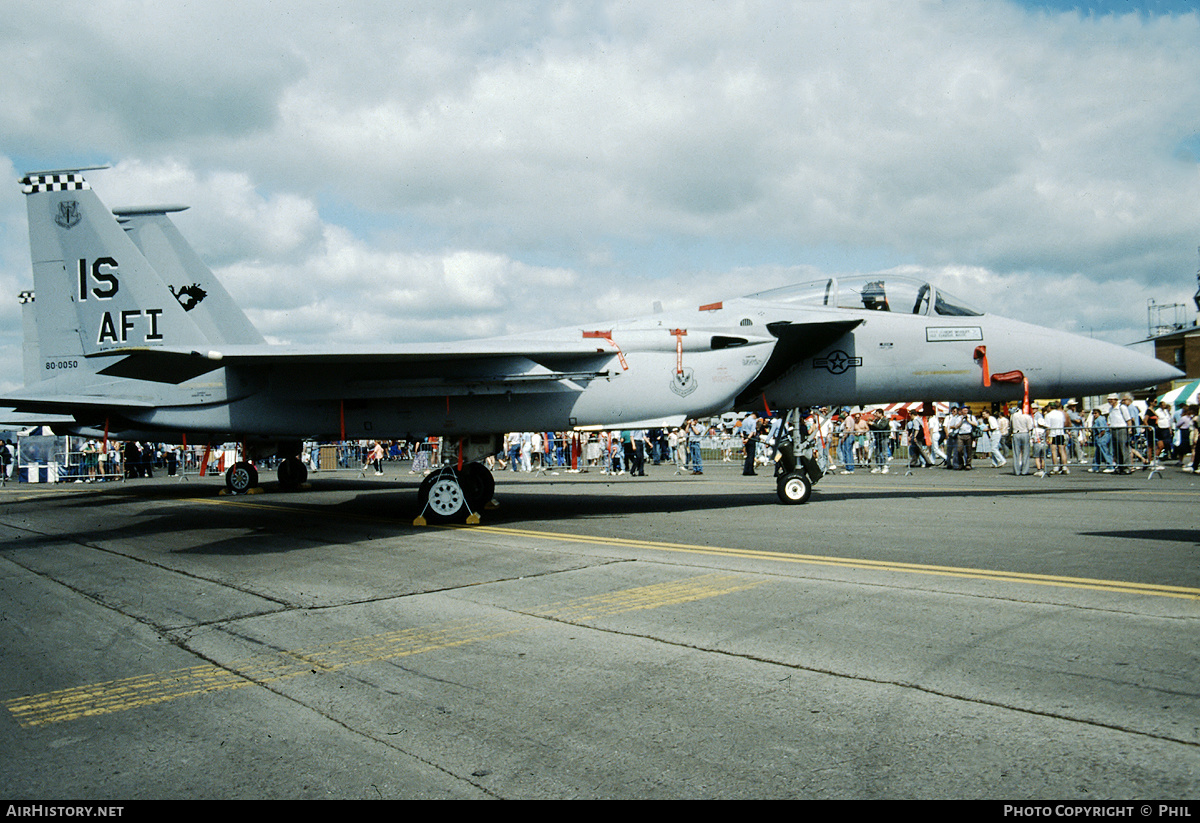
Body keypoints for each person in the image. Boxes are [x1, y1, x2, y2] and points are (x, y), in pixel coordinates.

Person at [1010, 405, 1032, 476]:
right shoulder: (1027, 416)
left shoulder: (1013, 415)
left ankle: (1017, 470)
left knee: (1016, 453)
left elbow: (1011, 425)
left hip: (1016, 433)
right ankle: (1024, 471)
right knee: (1025, 452)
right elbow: (1030, 427)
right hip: (1025, 433)